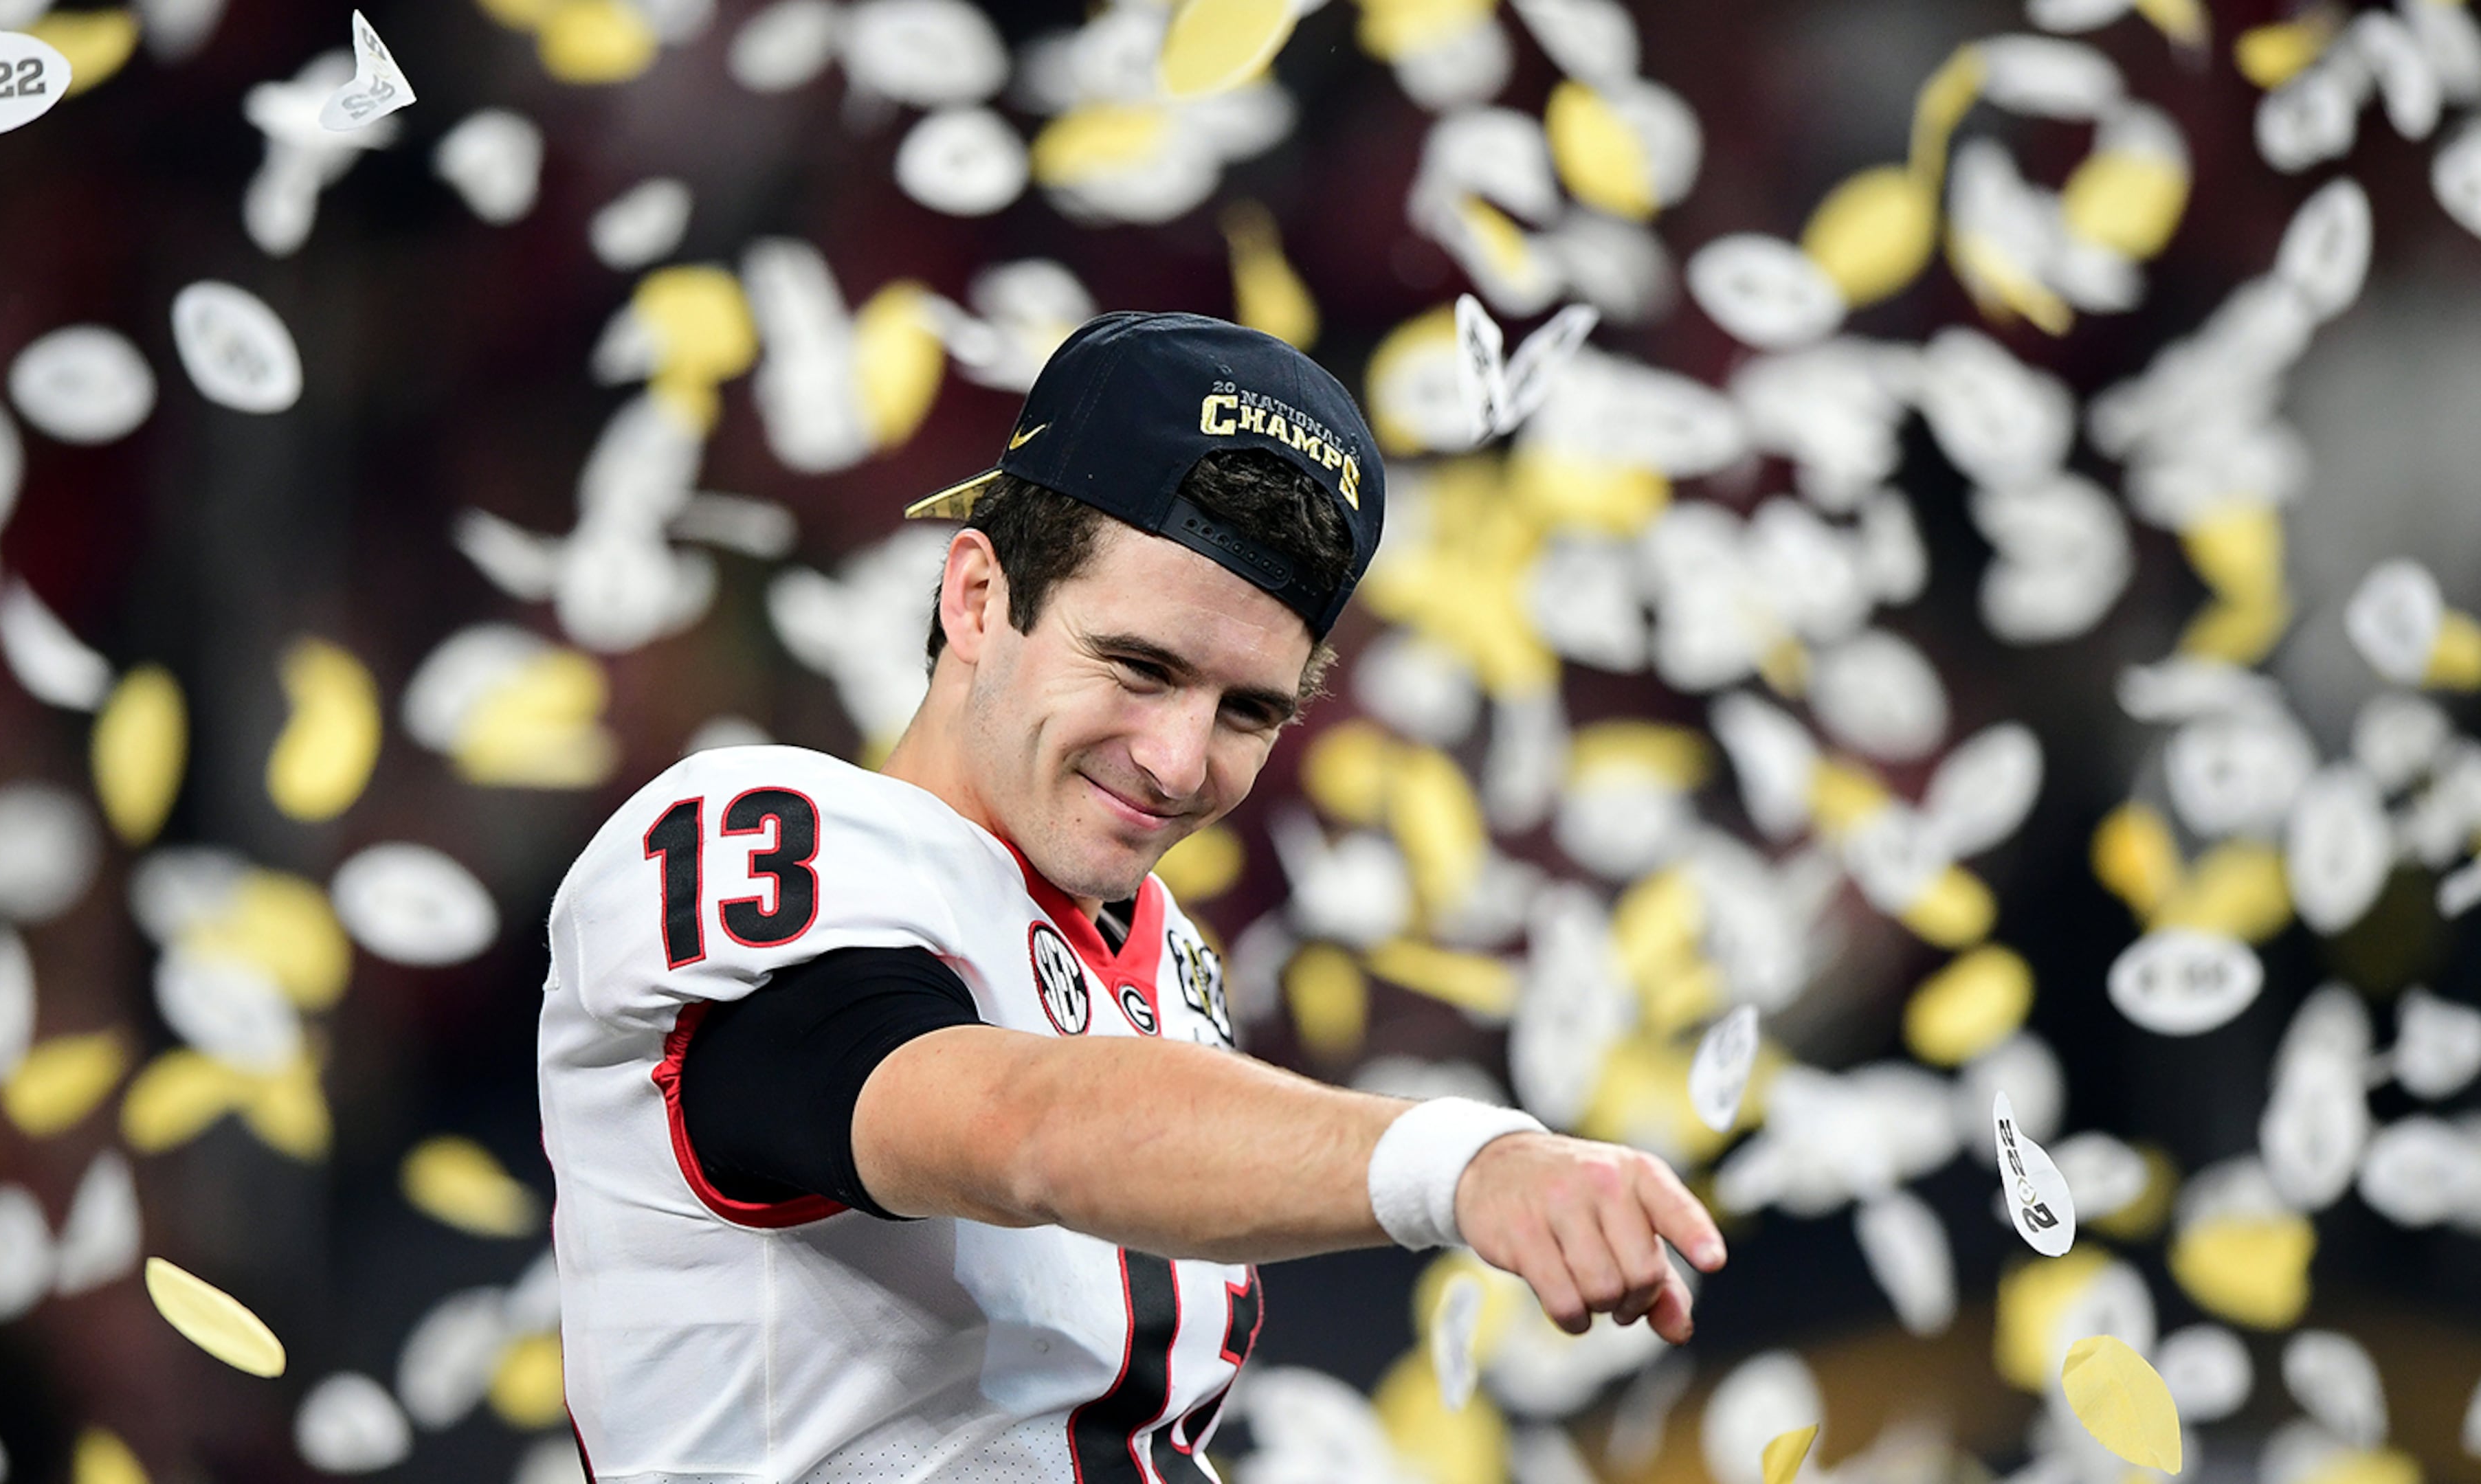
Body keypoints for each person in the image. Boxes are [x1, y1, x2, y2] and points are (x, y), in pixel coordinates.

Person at [535, 312, 1728, 1483]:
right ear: (978, 600)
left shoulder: (1163, 966)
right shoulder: (769, 838)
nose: (1176, 760)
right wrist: (1454, 1163)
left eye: (1248, 710)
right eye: (1140, 667)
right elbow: (1021, 1127)